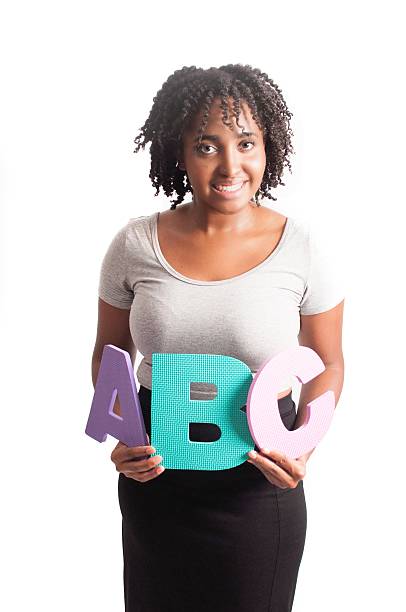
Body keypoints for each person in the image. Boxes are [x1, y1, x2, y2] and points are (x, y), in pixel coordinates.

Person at [91, 64, 345, 612]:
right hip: (157, 478)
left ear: (267, 148)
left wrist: (303, 445)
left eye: (246, 144)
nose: (231, 165)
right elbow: (110, 354)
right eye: (207, 146)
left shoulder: (300, 248)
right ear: (178, 152)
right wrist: (124, 435)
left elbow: (327, 360)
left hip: (258, 483)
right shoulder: (134, 244)